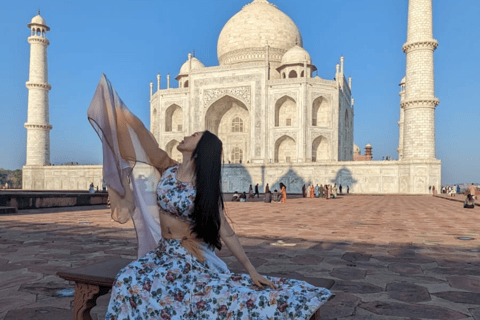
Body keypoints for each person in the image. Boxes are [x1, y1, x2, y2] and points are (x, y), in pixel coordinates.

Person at [89, 75, 331, 319]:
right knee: (127, 280)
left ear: (201, 150)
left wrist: (251, 270)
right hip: (164, 254)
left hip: (192, 257)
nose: (186, 136)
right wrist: (118, 109)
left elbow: (226, 230)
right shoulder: (168, 168)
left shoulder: (204, 187)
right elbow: (141, 136)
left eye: (194, 136)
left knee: (204, 298)